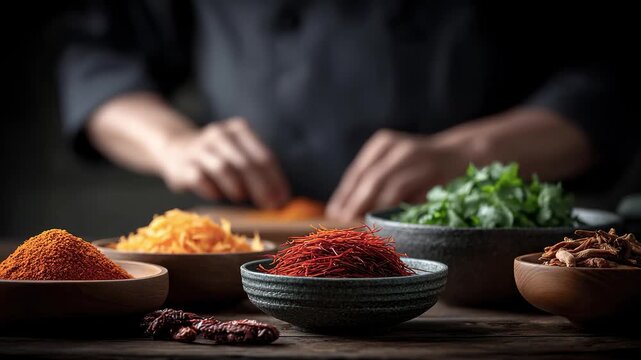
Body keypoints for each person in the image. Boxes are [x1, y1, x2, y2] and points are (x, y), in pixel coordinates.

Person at [58, 1, 631, 221]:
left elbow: (612, 74)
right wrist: (172, 144)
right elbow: (100, 54)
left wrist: (474, 154)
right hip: (255, 248)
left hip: (474, 245)